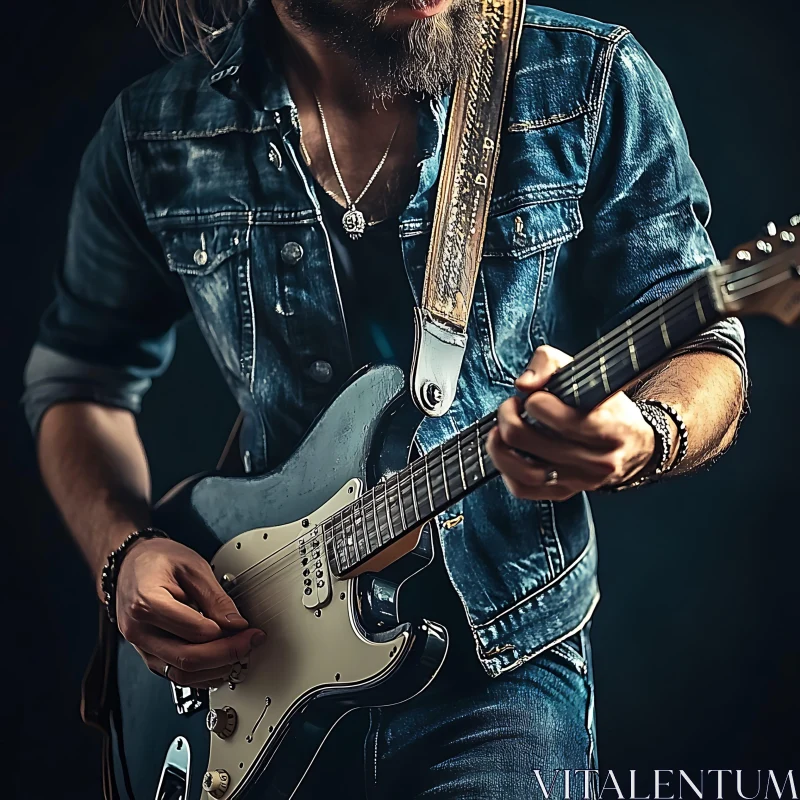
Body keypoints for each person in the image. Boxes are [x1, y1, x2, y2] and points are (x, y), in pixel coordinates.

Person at [23, 0, 747, 796]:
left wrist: (647, 433)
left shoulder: (587, 77)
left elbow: (699, 344)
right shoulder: (157, 133)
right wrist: (123, 553)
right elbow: (79, 381)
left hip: (497, 673)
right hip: (256, 660)